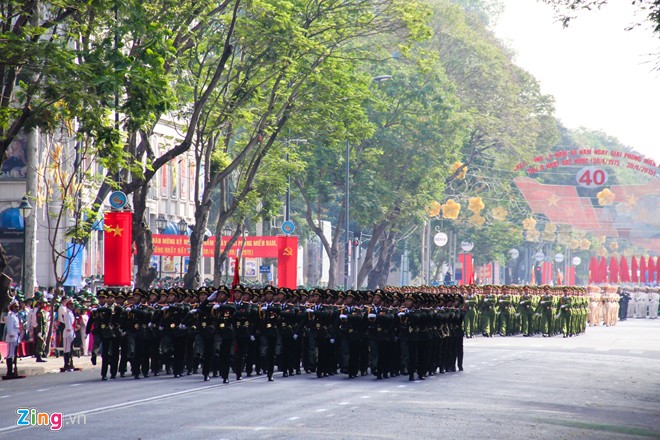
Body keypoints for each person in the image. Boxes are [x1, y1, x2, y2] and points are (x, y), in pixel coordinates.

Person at [3, 300, 22, 377]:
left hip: (16, 337)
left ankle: (13, 370)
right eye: (16, 307)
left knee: (14, 354)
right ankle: (9, 372)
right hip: (12, 337)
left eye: (18, 307)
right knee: (10, 354)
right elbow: (10, 328)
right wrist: (12, 336)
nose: (17, 308)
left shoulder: (15, 316)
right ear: (12, 308)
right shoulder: (10, 316)